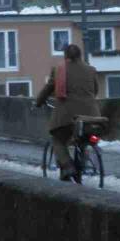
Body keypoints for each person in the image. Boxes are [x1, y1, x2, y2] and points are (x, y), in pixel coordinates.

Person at [33, 44, 100, 182]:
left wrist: (38, 102)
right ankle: (81, 164)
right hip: (91, 116)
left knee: (58, 139)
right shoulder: (91, 69)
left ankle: (68, 166)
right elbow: (95, 90)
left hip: (67, 116)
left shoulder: (59, 70)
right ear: (80, 55)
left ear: (65, 56)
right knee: (84, 138)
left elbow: (48, 89)